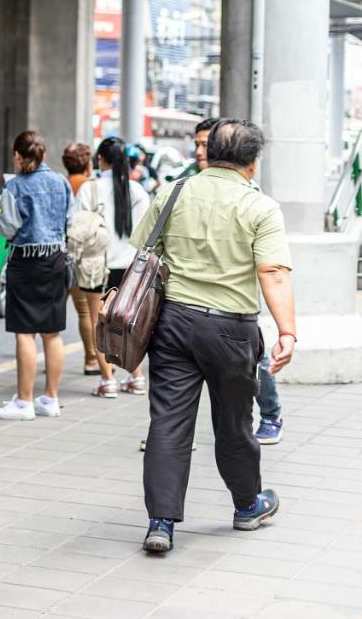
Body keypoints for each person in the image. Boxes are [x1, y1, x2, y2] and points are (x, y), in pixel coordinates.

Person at [135, 119, 295, 554]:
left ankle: (161, 523)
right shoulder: (259, 206)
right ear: (253, 161)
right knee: (233, 423)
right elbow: (273, 273)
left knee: (167, 422)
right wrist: (287, 332)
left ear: (208, 152)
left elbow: (143, 248)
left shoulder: (173, 192)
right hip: (231, 330)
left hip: (171, 324)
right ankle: (247, 505)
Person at [174, 119, 283, 442]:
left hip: (234, 304)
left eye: (206, 144)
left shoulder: (249, 192)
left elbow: (270, 266)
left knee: (258, 362)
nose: (199, 151)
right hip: (186, 304)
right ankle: (177, 435)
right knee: (182, 373)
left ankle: (271, 413)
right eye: (196, 144)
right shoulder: (182, 185)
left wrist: (287, 330)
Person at [0, 131, 72, 421]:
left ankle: (24, 402)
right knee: (52, 333)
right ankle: (50, 399)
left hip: (25, 263)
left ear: (17, 156)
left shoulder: (14, 188)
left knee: (25, 332)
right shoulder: (61, 183)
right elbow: (69, 221)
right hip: (55, 260)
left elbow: (7, 228)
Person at [80, 137, 151, 398]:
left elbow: (76, 226)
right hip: (131, 267)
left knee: (99, 322)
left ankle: (107, 380)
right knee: (128, 322)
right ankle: (136, 376)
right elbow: (148, 233)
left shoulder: (90, 190)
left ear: (101, 159)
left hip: (97, 265)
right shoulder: (137, 191)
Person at [61, 142, 100, 375]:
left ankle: (50, 351)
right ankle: (91, 359)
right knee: (85, 310)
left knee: (53, 307)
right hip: (82, 254)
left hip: (57, 253)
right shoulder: (91, 187)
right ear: (87, 163)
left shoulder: (60, 185)